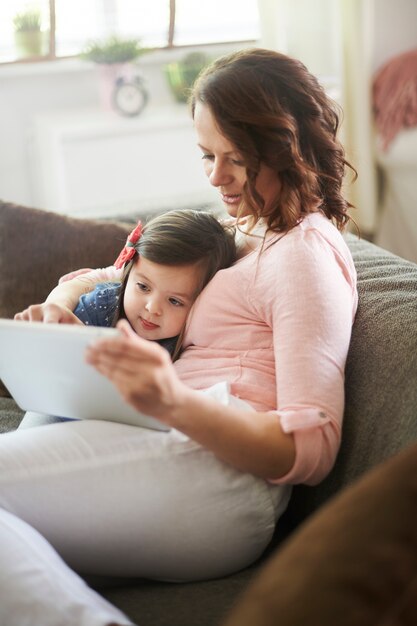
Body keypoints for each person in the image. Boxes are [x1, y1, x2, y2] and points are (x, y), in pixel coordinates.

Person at [1, 47, 358, 626]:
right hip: (160, 442)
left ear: (285, 149)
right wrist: (61, 305)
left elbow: (311, 448)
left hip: (213, 473)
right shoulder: (241, 230)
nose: (215, 177)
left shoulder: (305, 256)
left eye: (235, 158)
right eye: (206, 156)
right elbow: (117, 274)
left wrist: (173, 401)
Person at [70, 209, 237, 357]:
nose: (152, 308)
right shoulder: (99, 306)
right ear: (128, 273)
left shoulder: (192, 347)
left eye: (175, 301)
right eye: (143, 287)